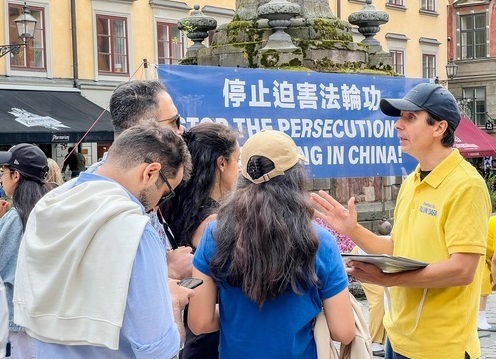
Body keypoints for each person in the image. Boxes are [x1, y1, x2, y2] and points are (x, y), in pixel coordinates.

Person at [311, 83, 491, 359]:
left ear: (439, 128)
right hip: (399, 337)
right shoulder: (413, 181)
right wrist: (353, 230)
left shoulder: (466, 185)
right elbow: (396, 248)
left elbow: (463, 270)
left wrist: (389, 280)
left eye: (410, 117)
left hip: (441, 346)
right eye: (400, 118)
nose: (398, 126)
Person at [13, 124, 194, 358]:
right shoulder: (135, 231)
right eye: (167, 191)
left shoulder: (48, 206)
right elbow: (157, 350)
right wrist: (173, 302)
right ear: (150, 173)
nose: (160, 202)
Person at [188, 130, 356, 358]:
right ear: (296, 177)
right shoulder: (320, 241)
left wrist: (235, 316)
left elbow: (199, 322)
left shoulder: (215, 235)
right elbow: (343, 332)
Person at [87, 79, 191, 280]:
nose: (181, 130)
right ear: (144, 130)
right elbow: (103, 283)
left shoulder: (122, 184)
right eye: (174, 121)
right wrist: (168, 270)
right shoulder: (99, 201)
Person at [163, 122, 240, 359]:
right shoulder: (216, 223)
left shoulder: (173, 207)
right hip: (209, 335)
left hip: (188, 331)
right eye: (237, 159)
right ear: (221, 163)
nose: (239, 168)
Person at [0, 143, 50, 359]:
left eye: (3, 172)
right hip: (44, 318)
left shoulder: (16, 217)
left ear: (16, 175)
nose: (1, 178)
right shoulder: (49, 210)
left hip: (16, 321)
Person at [479, 215, 496, 331]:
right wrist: (495, 280)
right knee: (484, 286)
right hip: (481, 256)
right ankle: (480, 320)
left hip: (491, 257)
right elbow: (495, 260)